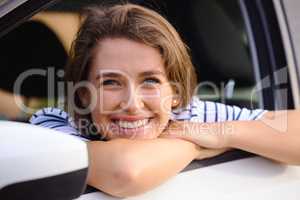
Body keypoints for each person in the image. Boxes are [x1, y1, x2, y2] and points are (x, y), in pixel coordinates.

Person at [29, 3, 300, 198]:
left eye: (150, 81)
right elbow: (125, 170)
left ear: (176, 94)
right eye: (110, 82)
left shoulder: (189, 114)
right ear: (85, 94)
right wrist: (197, 144)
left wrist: (218, 133)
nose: (132, 104)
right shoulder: (53, 124)